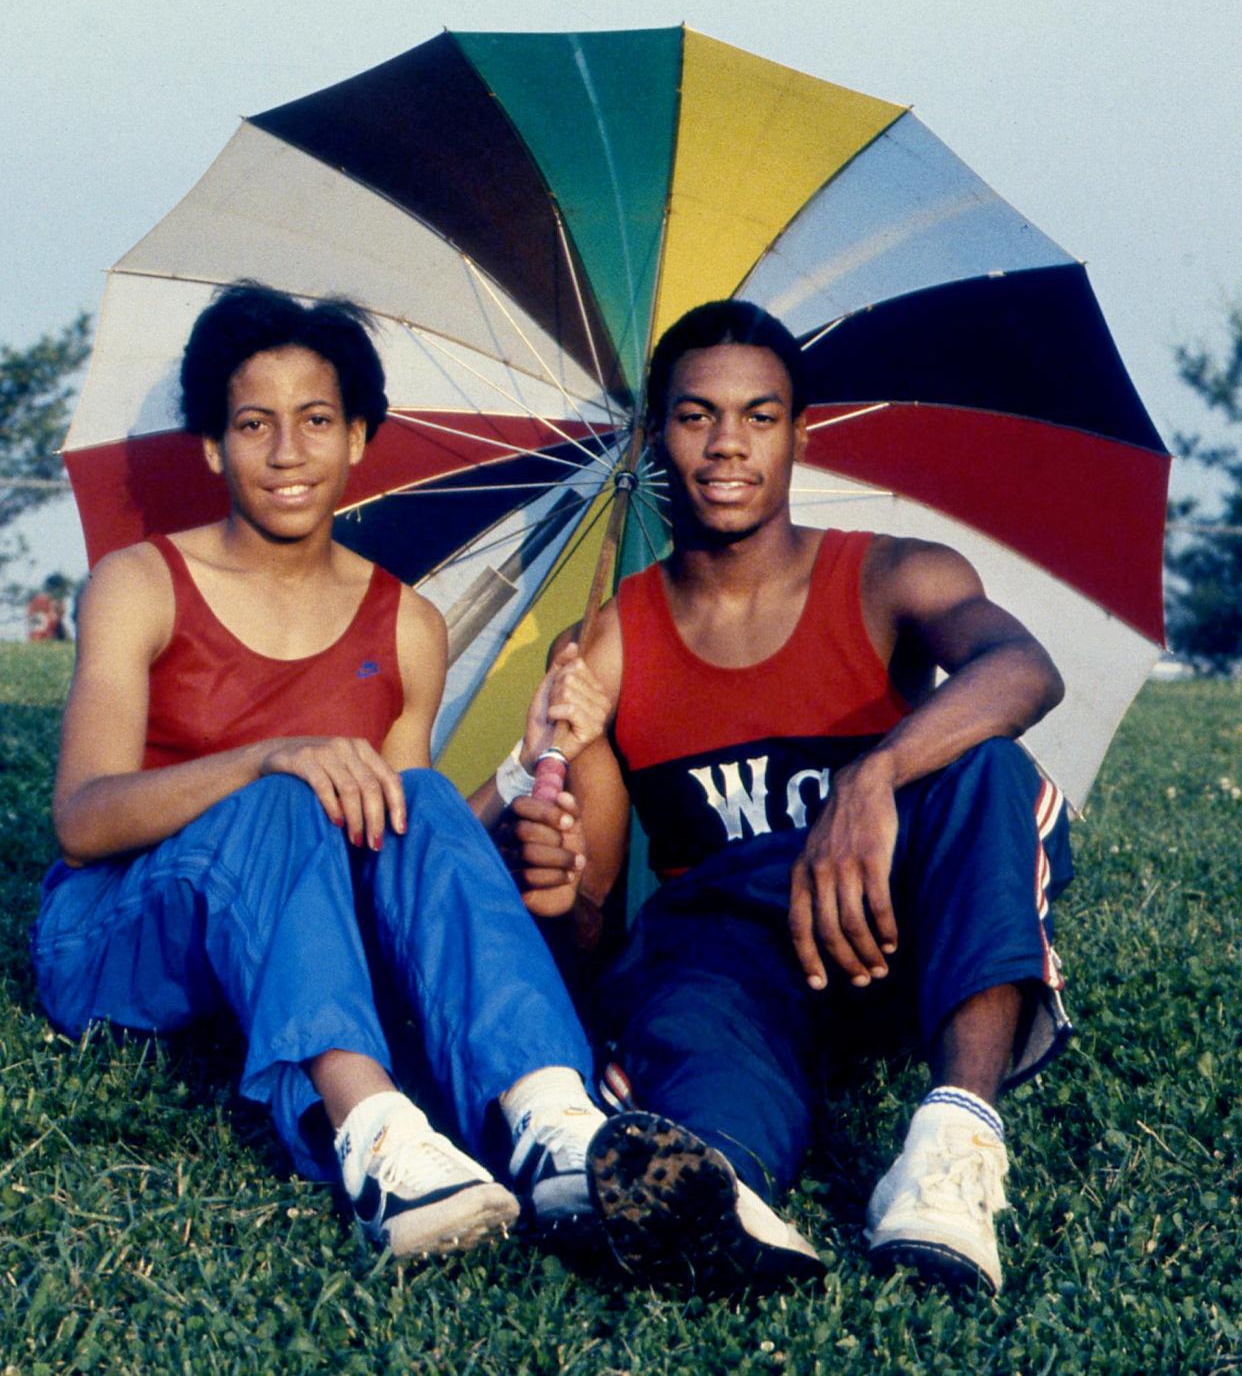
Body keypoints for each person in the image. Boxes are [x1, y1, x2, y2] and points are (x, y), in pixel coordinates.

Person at [31, 281, 613, 1261]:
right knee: (281, 801)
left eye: (315, 421)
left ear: (357, 439)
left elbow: (394, 848)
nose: (287, 452)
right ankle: (378, 1140)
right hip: (117, 935)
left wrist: (520, 773)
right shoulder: (142, 585)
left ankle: (556, 1124)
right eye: (255, 424)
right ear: (215, 447)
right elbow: (83, 821)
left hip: (283, 937)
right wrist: (268, 755)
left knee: (414, 791)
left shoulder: (407, 625)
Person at [511, 300, 1074, 1295]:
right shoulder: (606, 643)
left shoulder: (891, 575)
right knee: (684, 1014)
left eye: (759, 416)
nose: (728, 444)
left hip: (887, 931)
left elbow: (1022, 669)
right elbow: (592, 928)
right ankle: (718, 1194)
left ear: (798, 433)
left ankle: (953, 1146)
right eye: (695, 417)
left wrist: (875, 773)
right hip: (729, 952)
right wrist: (553, 878)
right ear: (655, 436)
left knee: (992, 775)